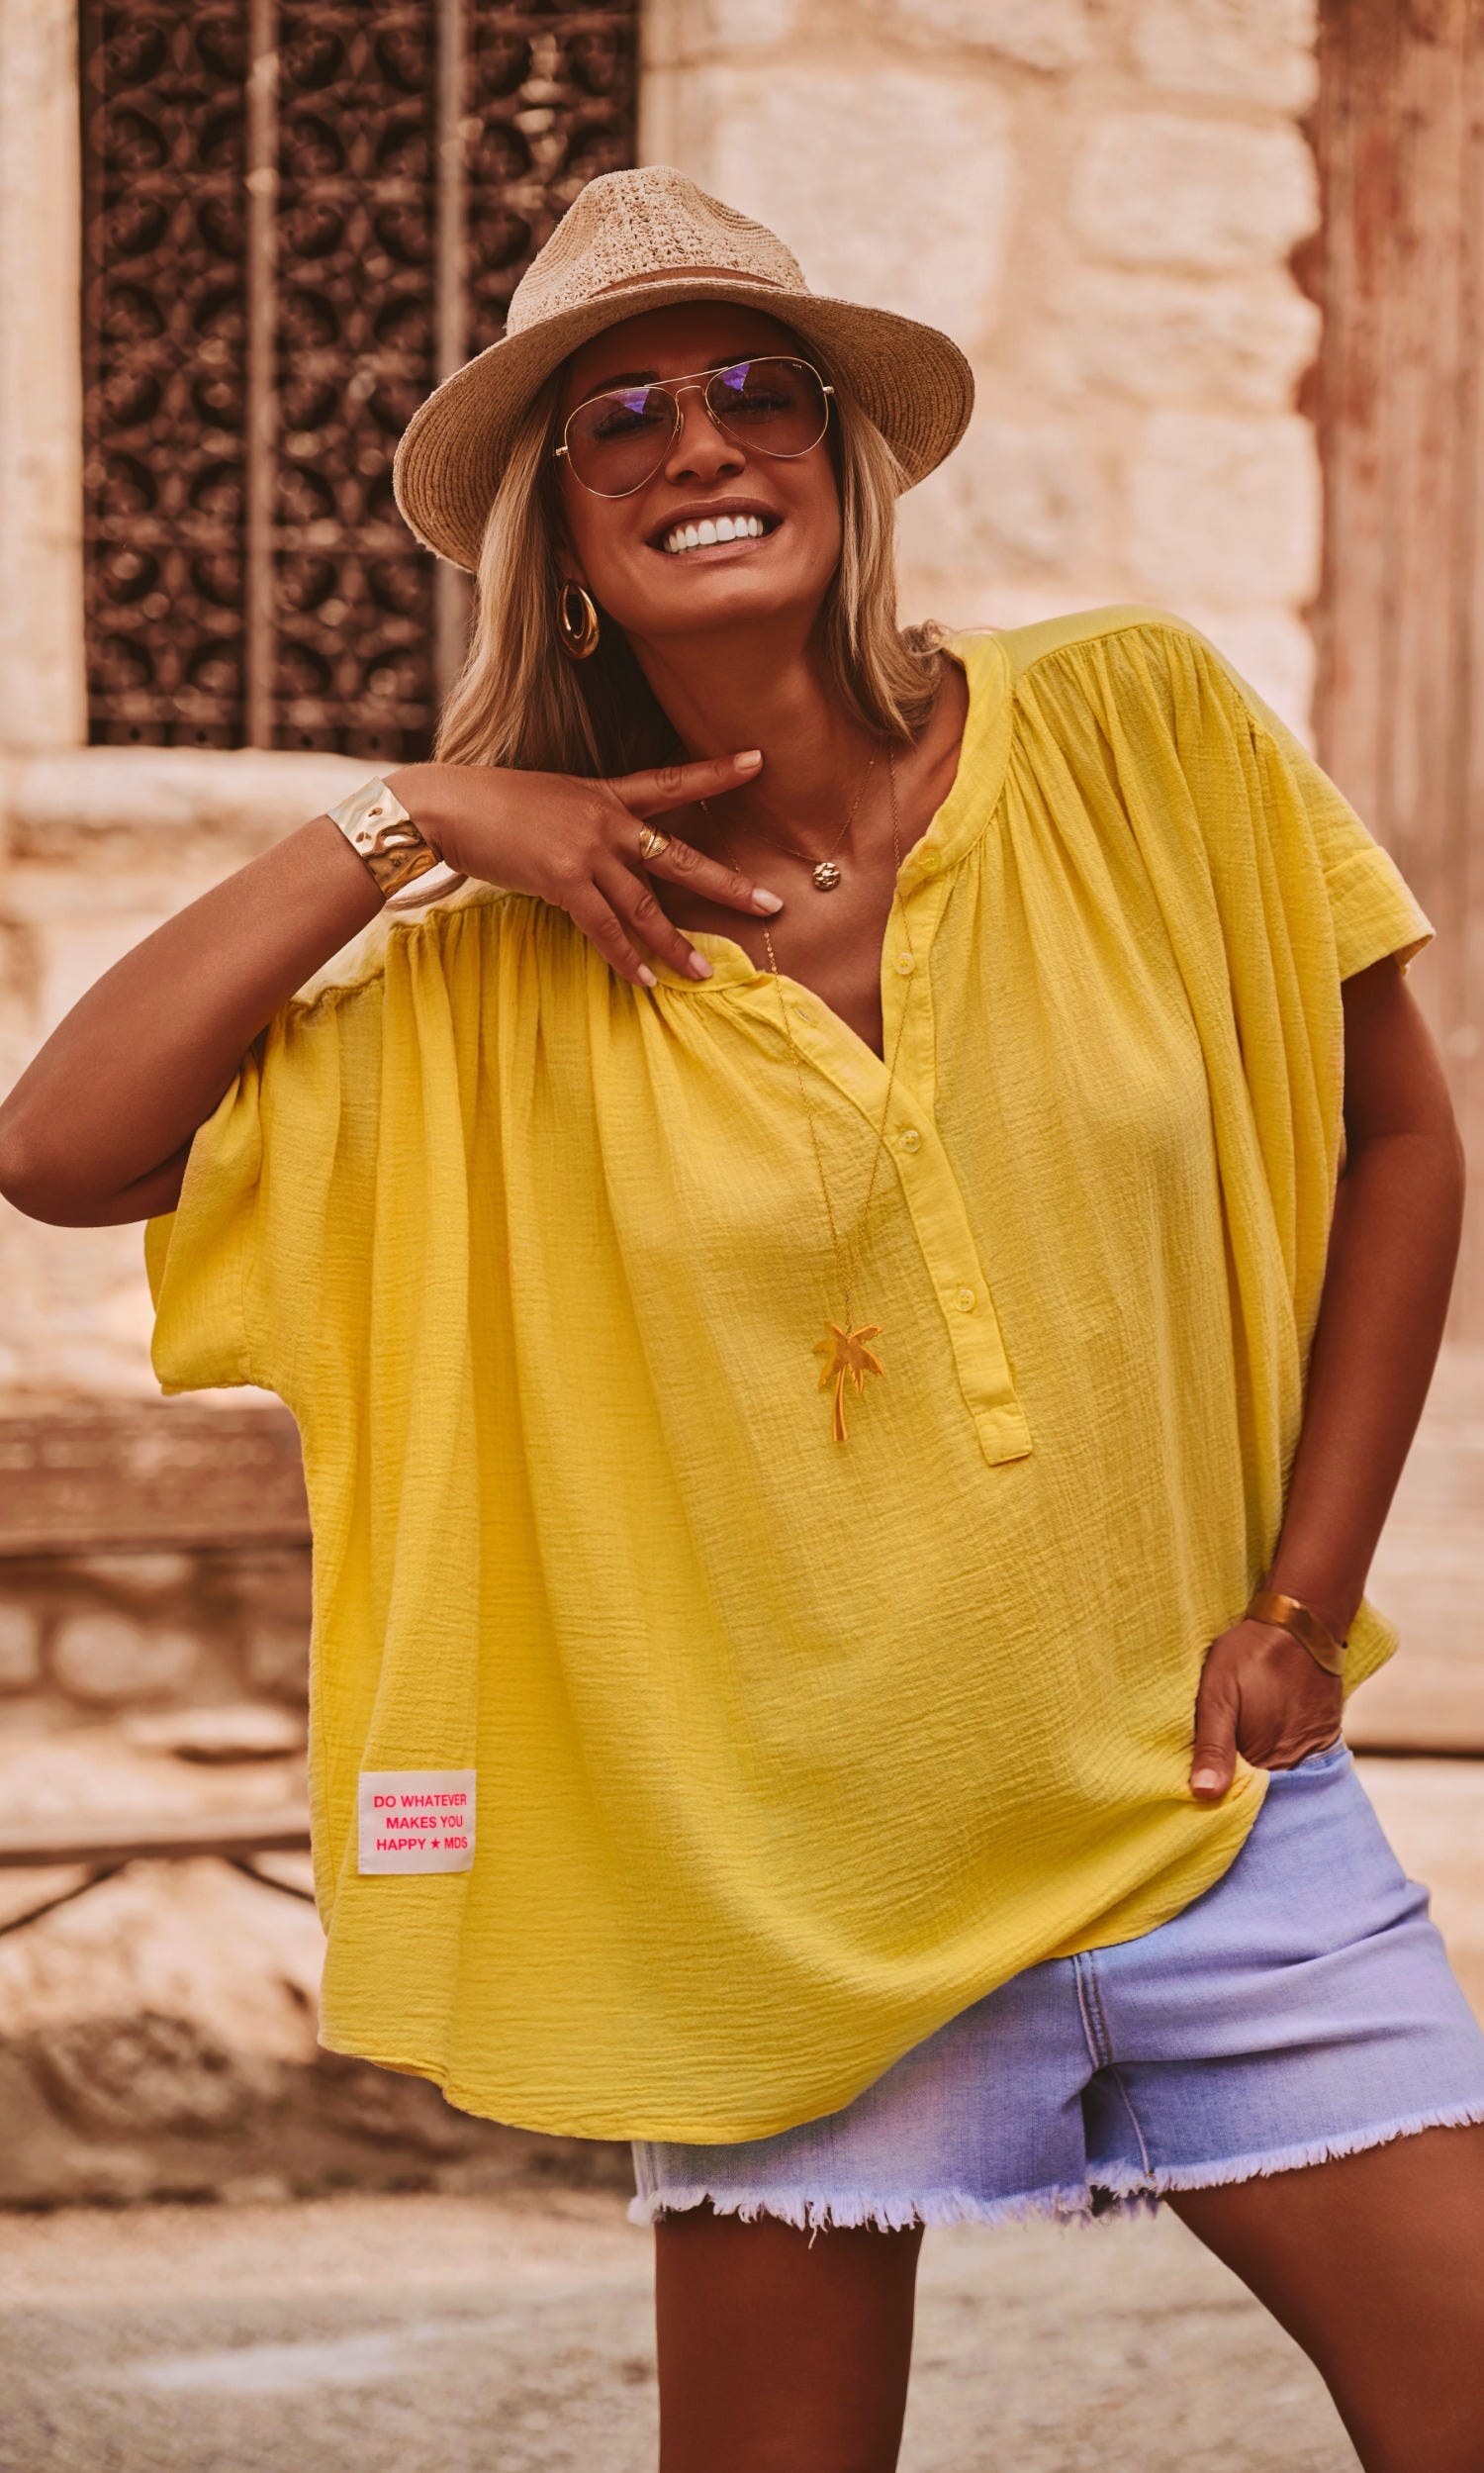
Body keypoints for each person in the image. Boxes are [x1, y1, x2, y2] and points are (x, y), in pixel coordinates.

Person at [2, 164, 1481, 2473]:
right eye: (620, 419)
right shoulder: (490, 991)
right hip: (787, 1896)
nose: (698, 442)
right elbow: (59, 1143)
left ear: (839, 455)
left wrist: (1307, 1599)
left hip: (1216, 1827)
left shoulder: (1139, 733)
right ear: (558, 529)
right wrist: (406, 819)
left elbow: (1400, 1138)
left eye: (754, 390)